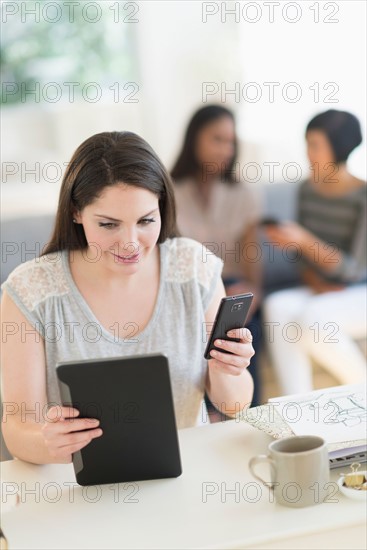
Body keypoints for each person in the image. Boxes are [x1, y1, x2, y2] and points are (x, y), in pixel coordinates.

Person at [1, 131, 254, 464]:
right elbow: (18, 428)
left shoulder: (194, 268)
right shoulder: (32, 291)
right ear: (76, 212)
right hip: (77, 488)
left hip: (186, 477)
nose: (131, 244)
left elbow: (233, 405)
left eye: (146, 220)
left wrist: (228, 370)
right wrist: (46, 442)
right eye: (109, 225)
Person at [263, 110, 367, 395]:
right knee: (276, 306)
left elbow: (355, 269)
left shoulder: (363, 196)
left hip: (358, 291)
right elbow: (299, 257)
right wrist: (313, 279)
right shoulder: (306, 190)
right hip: (321, 287)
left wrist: (305, 240)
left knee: (313, 319)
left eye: (314, 145)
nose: (308, 154)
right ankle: (296, 407)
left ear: (339, 147)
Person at [171, 105, 262, 407]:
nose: (226, 149)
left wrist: (252, 292)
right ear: (194, 138)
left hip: (233, 286)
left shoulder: (243, 194)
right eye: (217, 139)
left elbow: (253, 265)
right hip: (188, 290)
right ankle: (206, 416)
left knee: (243, 331)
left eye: (231, 141)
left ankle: (248, 414)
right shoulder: (168, 192)